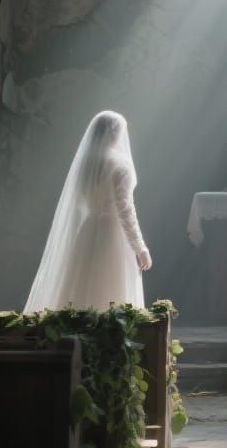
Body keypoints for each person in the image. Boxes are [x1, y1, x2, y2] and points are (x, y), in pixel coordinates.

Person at [25, 111, 152, 312]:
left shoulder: (86, 166)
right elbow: (126, 210)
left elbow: (80, 202)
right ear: (114, 134)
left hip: (88, 230)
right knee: (111, 290)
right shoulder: (120, 166)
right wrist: (140, 248)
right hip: (112, 235)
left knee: (81, 287)